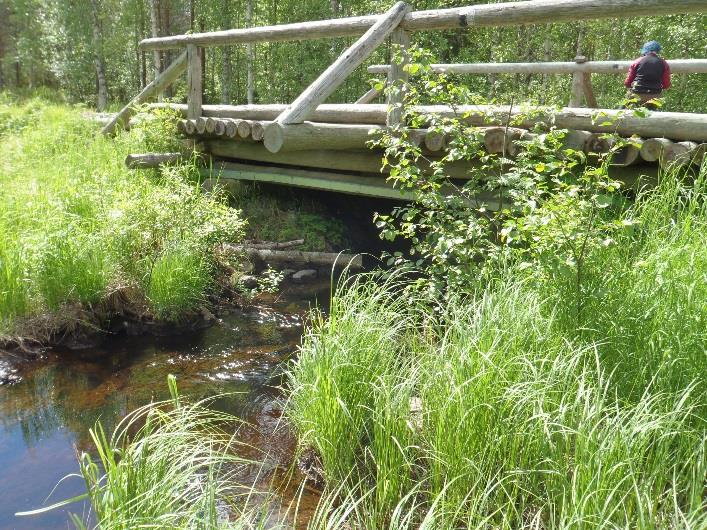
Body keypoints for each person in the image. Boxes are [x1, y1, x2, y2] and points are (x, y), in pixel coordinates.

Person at [624, 41, 671, 109]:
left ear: (645, 51)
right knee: (653, 112)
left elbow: (627, 82)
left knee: (624, 106)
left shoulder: (637, 61)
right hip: (655, 95)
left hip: (637, 93)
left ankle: (618, 117)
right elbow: (666, 85)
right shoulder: (663, 63)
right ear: (657, 51)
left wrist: (629, 86)